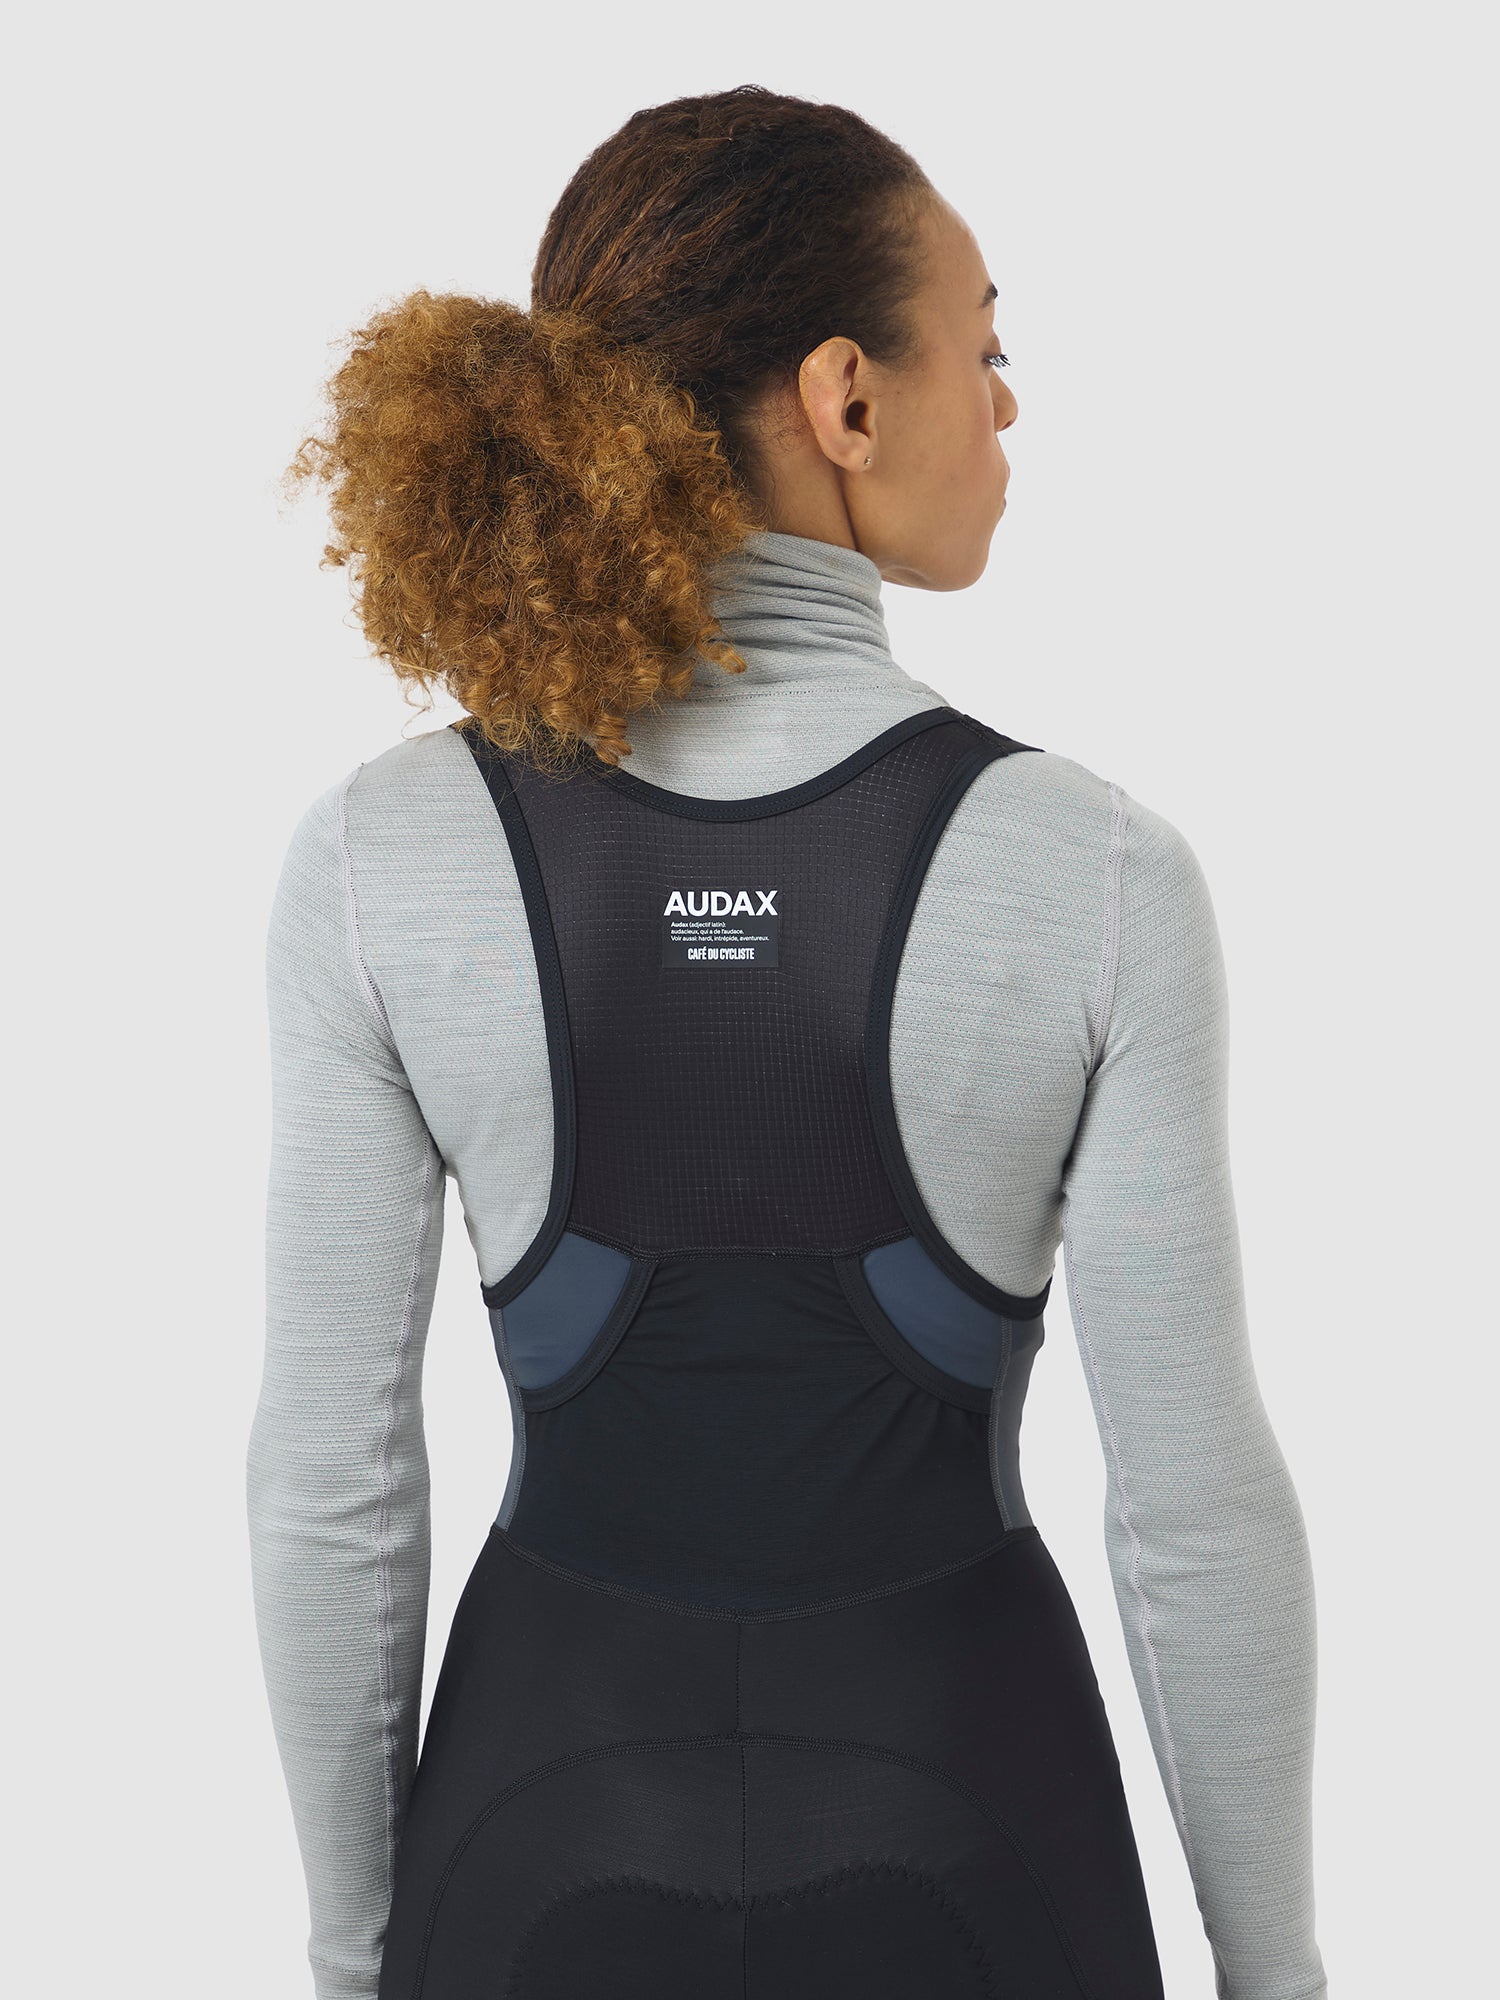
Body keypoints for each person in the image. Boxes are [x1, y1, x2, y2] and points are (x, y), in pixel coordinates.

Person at [247, 85, 1326, 2000]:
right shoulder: (1092, 871)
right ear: (846, 399)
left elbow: (334, 1483)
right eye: (983, 347)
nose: (1007, 408)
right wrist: (1277, 1976)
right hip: (981, 1844)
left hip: (533, 1840)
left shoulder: (381, 854)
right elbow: (1192, 1512)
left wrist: (354, 1958)